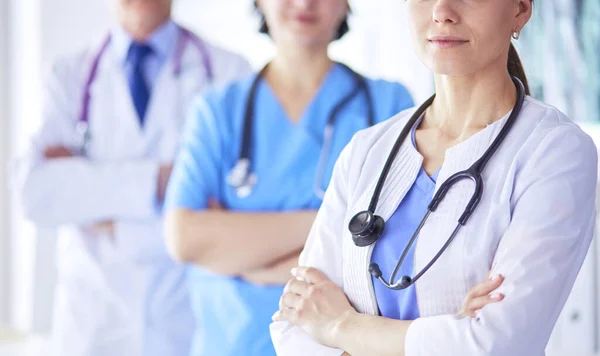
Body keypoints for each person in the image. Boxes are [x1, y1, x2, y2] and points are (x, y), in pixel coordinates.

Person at [270, 0, 598, 355]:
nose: (442, 10)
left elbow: (493, 344)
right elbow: (296, 321)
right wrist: (443, 335)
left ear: (520, 9)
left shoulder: (554, 151)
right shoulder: (367, 150)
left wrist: (340, 325)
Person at [163, 0, 414, 355]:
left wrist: (248, 255)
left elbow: (402, 246)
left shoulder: (387, 105)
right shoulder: (218, 111)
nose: (303, 3)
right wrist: (341, 225)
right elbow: (184, 238)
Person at [11, 1, 251, 355]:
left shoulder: (229, 73)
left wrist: (100, 210)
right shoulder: (66, 75)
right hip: (92, 324)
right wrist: (161, 181)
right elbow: (35, 195)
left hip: (186, 320)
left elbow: (233, 210)